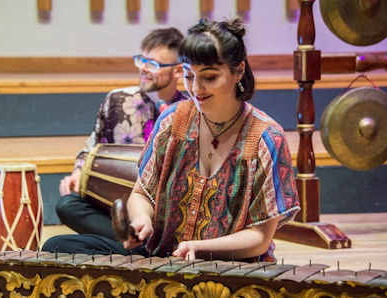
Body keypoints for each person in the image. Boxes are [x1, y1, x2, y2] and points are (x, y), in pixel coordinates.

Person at [44, 18, 299, 262]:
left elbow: (259, 238)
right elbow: (141, 193)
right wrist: (141, 219)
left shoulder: (266, 138)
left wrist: (199, 249)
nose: (196, 89)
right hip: (163, 257)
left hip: (229, 265)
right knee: (57, 248)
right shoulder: (172, 120)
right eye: (189, 76)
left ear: (238, 70)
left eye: (209, 77)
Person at [56, 27, 186, 239]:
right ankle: (135, 242)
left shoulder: (187, 110)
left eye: (153, 64)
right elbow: (93, 145)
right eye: (141, 60)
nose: (144, 68)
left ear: (178, 71)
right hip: (115, 204)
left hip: (160, 212)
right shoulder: (118, 100)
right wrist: (79, 171)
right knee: (67, 205)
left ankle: (131, 242)